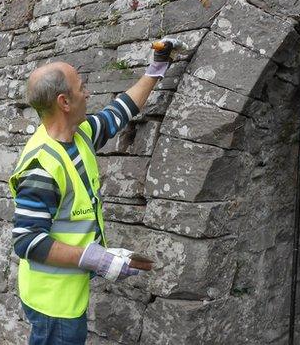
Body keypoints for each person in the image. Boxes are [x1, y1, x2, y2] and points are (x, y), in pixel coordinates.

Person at [9, 38, 182, 344]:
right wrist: (96, 258)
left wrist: (155, 70)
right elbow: (27, 241)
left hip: (66, 294)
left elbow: (118, 112)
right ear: (64, 102)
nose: (87, 93)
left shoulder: (79, 134)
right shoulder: (42, 167)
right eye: (81, 88)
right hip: (53, 303)